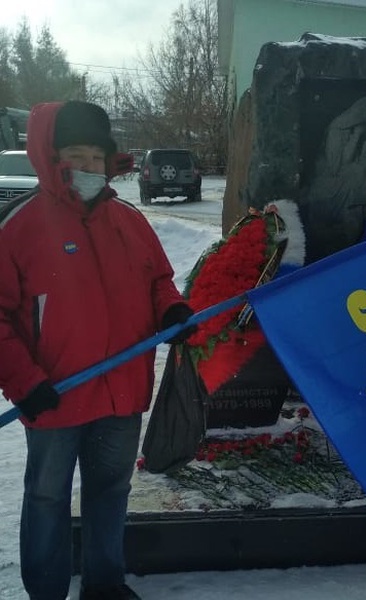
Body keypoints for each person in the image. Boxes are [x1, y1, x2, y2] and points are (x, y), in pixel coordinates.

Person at [0, 101, 197, 600]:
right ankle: (45, 591)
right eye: (75, 154)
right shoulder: (19, 227)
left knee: (110, 493)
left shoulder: (128, 221)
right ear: (51, 155)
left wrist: (171, 311)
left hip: (122, 392)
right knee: (46, 497)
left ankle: (105, 585)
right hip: (55, 396)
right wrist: (24, 382)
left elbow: (159, 282)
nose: (88, 167)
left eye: (96, 156)